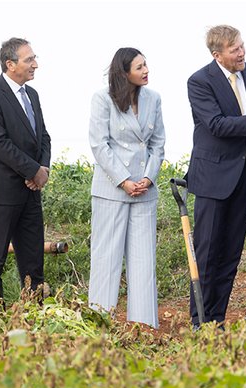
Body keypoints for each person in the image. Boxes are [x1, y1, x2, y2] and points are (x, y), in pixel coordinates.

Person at [186, 25, 246, 329]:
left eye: (242, 46)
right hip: (214, 178)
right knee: (207, 251)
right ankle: (198, 321)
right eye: (235, 50)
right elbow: (216, 125)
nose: (242, 53)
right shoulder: (200, 81)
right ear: (218, 55)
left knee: (230, 252)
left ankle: (216, 318)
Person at [87, 47, 165, 328]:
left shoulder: (153, 98)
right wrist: (124, 180)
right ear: (124, 72)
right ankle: (99, 325)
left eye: (146, 65)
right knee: (106, 260)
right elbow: (99, 144)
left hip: (145, 191)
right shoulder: (102, 99)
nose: (146, 71)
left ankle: (144, 329)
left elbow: (158, 143)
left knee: (144, 263)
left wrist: (147, 177)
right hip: (112, 190)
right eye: (139, 67)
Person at [0, 37, 51, 301]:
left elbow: (44, 137)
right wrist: (32, 171)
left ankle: (35, 324)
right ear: (10, 64)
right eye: (29, 60)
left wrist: (43, 169)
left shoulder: (34, 95)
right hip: (2, 195)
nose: (35, 64)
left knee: (33, 265)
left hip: (31, 194)